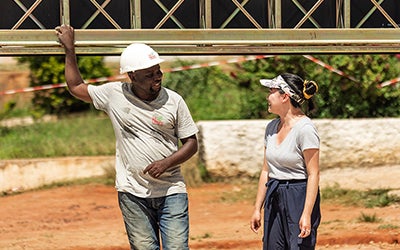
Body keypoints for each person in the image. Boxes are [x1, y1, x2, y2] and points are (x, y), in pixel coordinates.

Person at [55, 24, 199, 250]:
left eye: (158, 71)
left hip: (172, 191)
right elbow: (75, 86)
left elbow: (191, 143)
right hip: (132, 193)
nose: (157, 77)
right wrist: (69, 50)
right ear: (132, 75)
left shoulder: (174, 101)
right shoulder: (114, 95)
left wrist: (167, 162)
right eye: (149, 74)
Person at [250, 73, 321, 250]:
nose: (268, 96)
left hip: (298, 195)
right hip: (275, 194)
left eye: (271, 91)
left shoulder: (305, 129)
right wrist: (257, 208)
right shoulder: (271, 127)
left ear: (285, 96)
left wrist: (306, 214)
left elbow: (314, 174)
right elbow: (266, 170)